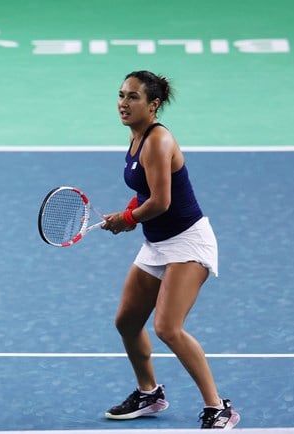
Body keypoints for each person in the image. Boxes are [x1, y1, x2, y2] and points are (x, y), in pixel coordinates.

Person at [100, 71, 239, 429]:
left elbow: (161, 202)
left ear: (154, 104)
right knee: (127, 322)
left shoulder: (158, 141)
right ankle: (149, 393)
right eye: (121, 95)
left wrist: (126, 218)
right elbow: (147, 191)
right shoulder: (135, 138)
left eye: (133, 97)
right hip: (158, 244)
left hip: (188, 242)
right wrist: (128, 212)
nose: (123, 103)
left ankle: (218, 406)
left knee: (168, 327)